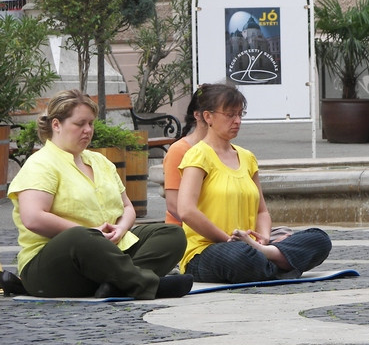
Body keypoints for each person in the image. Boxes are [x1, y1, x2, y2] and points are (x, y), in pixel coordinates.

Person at [7, 90, 193, 299]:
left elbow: (127, 207)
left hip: (109, 249)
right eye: (80, 124)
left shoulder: (100, 162)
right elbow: (33, 218)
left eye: (91, 124)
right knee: (80, 236)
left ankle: (118, 283)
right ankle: (146, 284)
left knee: (171, 234)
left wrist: (121, 229)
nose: (88, 130)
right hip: (52, 264)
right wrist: (92, 232)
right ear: (56, 125)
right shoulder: (41, 163)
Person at [177, 83, 332, 283]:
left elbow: (262, 212)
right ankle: (275, 260)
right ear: (208, 117)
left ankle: (265, 255)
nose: (237, 121)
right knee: (240, 255)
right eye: (230, 115)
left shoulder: (247, 157)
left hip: (251, 247)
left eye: (240, 114)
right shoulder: (197, 155)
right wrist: (228, 239)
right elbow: (186, 210)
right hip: (208, 250)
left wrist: (263, 239)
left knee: (319, 239)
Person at [163, 85, 211, 224]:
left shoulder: (234, 152)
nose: (236, 121)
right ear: (198, 115)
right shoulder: (179, 150)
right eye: (227, 114)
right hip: (187, 232)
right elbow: (173, 204)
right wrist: (212, 230)